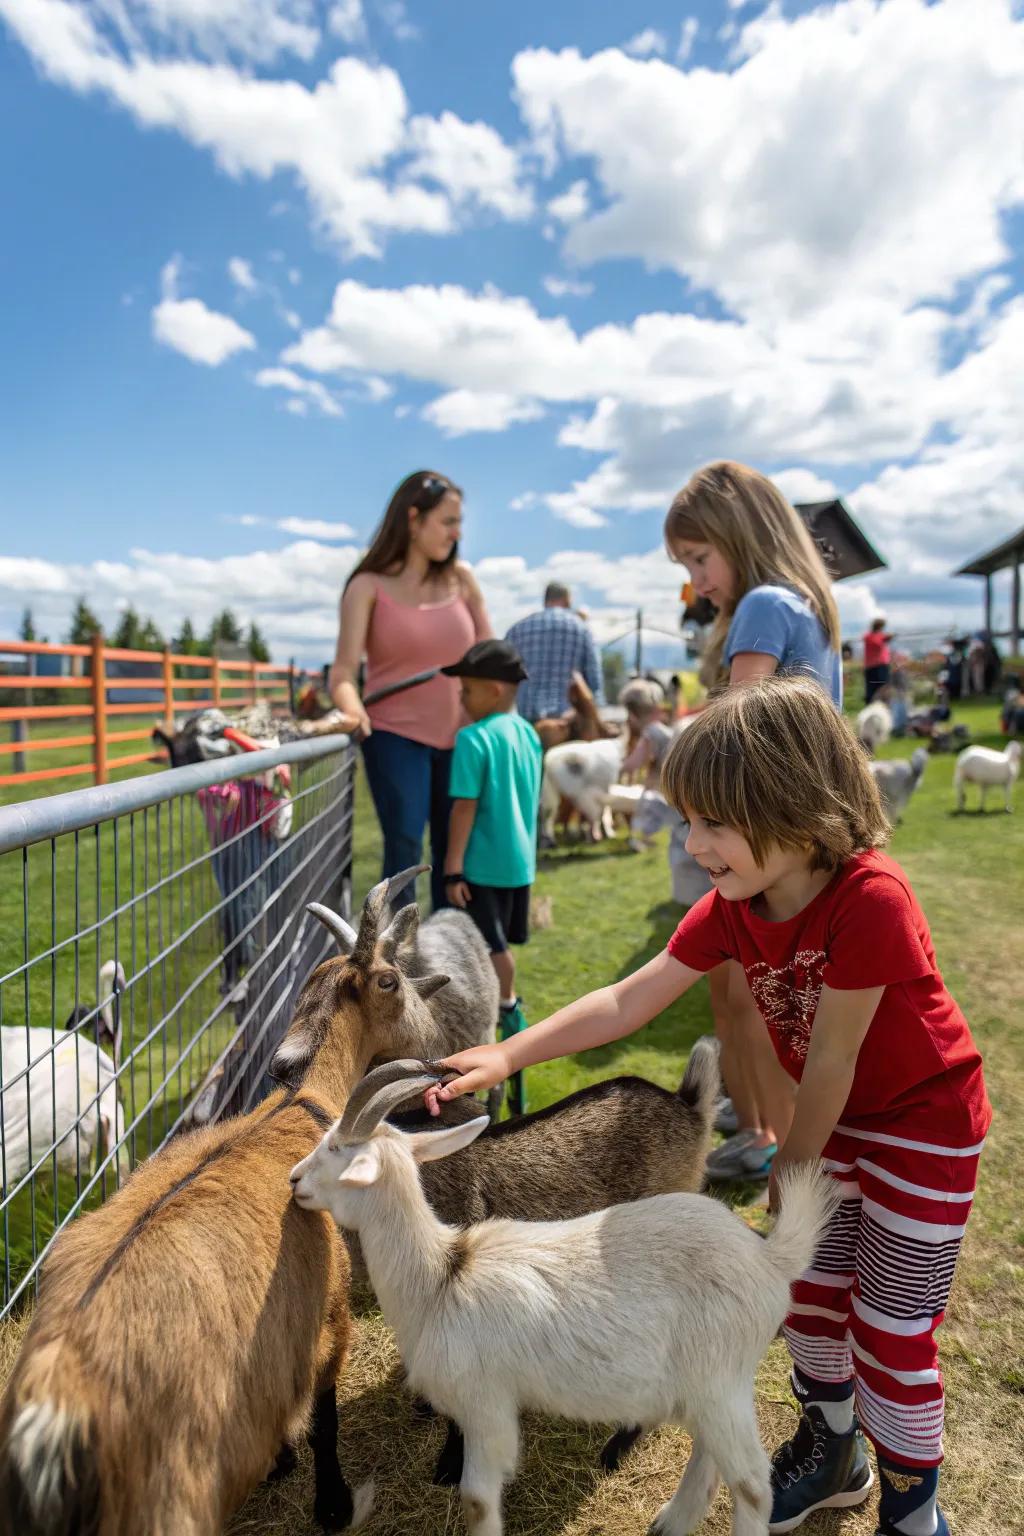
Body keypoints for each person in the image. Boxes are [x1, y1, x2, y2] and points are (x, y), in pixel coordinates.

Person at [428, 677, 990, 1536]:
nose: (693, 844)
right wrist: (507, 1050)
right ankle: (836, 1451)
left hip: (924, 1128)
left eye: (712, 824)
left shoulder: (873, 900)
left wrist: (789, 1173)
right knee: (808, 1296)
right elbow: (628, 1000)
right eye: (687, 820)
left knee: (891, 1327)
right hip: (833, 1126)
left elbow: (833, 1064)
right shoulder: (735, 904)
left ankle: (917, 1514)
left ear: (797, 810)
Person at [664, 460, 843, 1183]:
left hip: (758, 837)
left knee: (747, 998)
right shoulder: (806, 603)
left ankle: (769, 1135)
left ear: (738, 532)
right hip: (793, 838)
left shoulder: (764, 605)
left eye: (699, 559)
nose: (698, 582)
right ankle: (765, 1117)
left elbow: (733, 733)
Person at [329, 470, 492, 912]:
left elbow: (490, 661)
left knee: (453, 853)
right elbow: (343, 671)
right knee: (404, 845)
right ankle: (395, 965)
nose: (457, 533)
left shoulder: (462, 580)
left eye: (460, 522)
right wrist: (352, 708)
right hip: (393, 736)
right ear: (414, 518)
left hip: (460, 740)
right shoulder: (367, 586)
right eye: (448, 521)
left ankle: (449, 960)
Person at [440, 639, 542, 1114]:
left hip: (480, 865)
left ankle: (506, 1017)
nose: (460, 699)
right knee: (499, 946)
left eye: (467, 690)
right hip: (518, 863)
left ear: (495, 690)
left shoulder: (473, 738)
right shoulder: (528, 734)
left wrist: (452, 866)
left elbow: (464, 806)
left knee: (491, 951)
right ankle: (509, 1016)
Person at [505, 581, 603, 722]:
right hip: (567, 722)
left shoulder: (517, 630)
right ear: (568, 600)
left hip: (526, 721)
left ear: (545, 601)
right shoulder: (581, 628)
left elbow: (503, 677)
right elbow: (594, 678)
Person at [863, 618, 894, 703]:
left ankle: (878, 705)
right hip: (878, 666)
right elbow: (877, 643)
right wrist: (886, 638)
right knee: (880, 688)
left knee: (874, 688)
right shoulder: (872, 636)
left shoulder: (870, 636)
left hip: (873, 666)